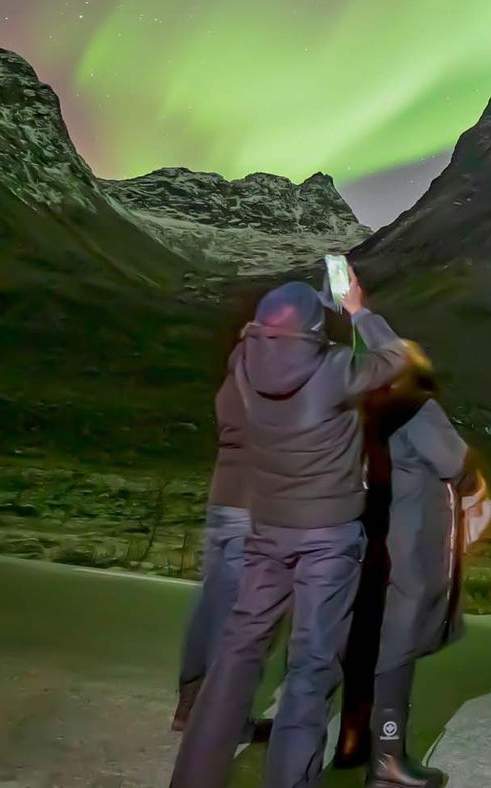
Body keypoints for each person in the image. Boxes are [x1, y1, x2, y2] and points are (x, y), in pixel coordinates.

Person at [169, 272, 407, 788]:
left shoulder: (243, 363)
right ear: (313, 333)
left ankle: (193, 777)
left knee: (236, 655)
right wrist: (359, 311)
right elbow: (397, 358)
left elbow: (264, 341)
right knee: (311, 667)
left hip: (267, 529)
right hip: (328, 539)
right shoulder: (335, 369)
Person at [335, 340, 486, 788]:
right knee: (397, 648)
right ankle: (387, 759)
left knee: (365, 639)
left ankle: (352, 741)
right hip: (409, 543)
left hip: (365, 537)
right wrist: (477, 486)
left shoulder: (358, 406)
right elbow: (456, 463)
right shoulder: (418, 410)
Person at [172, 361, 269, 744]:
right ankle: (223, 718)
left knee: (211, 604)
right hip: (254, 507)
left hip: (223, 501)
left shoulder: (237, 371)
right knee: (242, 617)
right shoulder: (276, 374)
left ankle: (189, 705)